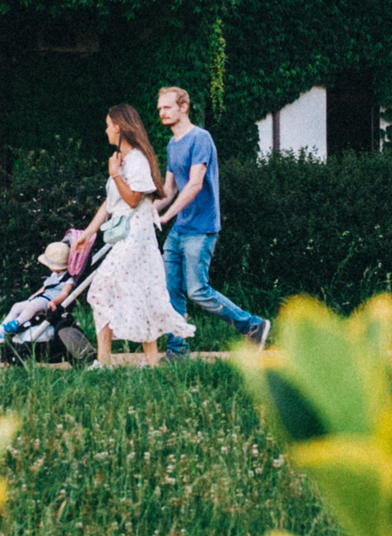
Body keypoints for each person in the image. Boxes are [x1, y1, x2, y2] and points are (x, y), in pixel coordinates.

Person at [153, 84, 269, 357]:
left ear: (183, 107)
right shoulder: (172, 144)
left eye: (167, 107)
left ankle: (252, 326)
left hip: (201, 228)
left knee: (197, 290)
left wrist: (166, 216)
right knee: (172, 291)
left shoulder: (200, 138)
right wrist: (147, 214)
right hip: (180, 228)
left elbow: (194, 184)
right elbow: (169, 191)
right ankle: (177, 349)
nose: (162, 113)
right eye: (159, 109)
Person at [82, 104, 195, 367]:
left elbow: (133, 199)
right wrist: (88, 233)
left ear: (119, 127)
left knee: (100, 290)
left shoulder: (137, 160)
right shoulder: (123, 160)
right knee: (140, 292)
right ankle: (149, 362)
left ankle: (104, 362)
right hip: (127, 237)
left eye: (109, 124)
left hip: (136, 238)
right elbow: (111, 204)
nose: (106, 129)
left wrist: (114, 174)